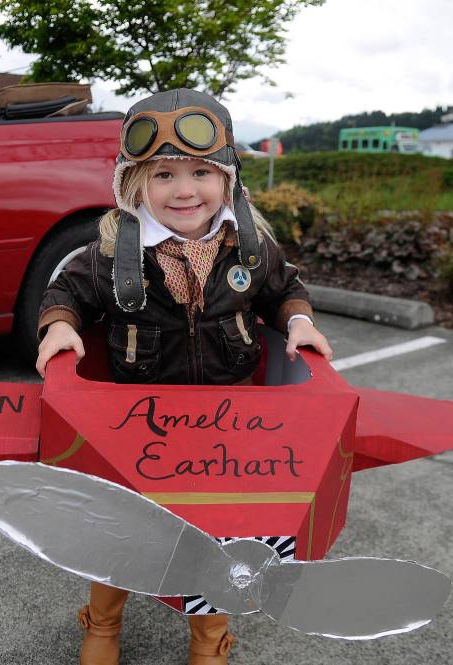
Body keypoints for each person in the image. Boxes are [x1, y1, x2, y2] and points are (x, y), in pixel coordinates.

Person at [35, 88, 332, 665]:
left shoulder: (250, 250)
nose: (184, 189)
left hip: (228, 429)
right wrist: (59, 325)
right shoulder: (111, 252)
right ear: (135, 185)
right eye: (164, 174)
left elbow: (286, 289)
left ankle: (209, 636)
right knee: (119, 529)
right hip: (135, 429)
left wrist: (297, 322)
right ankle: (103, 620)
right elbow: (65, 288)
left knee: (220, 536)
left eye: (201, 171)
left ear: (227, 180)